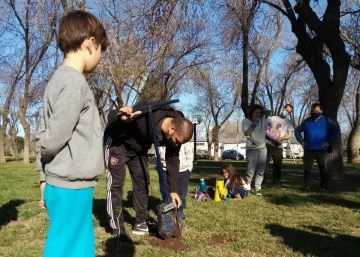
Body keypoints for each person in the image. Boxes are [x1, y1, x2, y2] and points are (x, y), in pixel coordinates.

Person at [35, 10, 115, 257]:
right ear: (91, 43)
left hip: (67, 183)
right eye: (101, 49)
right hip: (70, 184)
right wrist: (45, 167)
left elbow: (43, 129)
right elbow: (53, 136)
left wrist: (43, 175)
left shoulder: (59, 81)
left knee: (74, 243)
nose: (100, 57)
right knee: (68, 247)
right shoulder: (73, 84)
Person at [104, 103, 193, 238]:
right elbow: (110, 116)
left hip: (139, 148)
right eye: (176, 141)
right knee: (116, 185)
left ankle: (140, 222)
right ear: (172, 128)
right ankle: (117, 227)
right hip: (118, 143)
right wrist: (121, 115)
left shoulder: (177, 130)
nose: (176, 145)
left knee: (143, 182)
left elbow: (172, 159)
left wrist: (173, 190)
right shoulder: (146, 113)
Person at [294, 103, 340, 190]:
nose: (314, 112)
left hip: (321, 150)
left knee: (323, 169)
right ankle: (307, 185)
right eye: (312, 111)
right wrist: (301, 141)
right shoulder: (307, 121)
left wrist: (329, 142)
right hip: (308, 149)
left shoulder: (327, 120)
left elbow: (336, 132)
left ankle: (324, 185)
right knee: (307, 169)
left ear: (321, 111)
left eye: (316, 111)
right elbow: (297, 131)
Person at [158, 141, 193, 221]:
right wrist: (159, 167)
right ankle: (169, 213)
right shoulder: (162, 139)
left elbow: (189, 153)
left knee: (182, 194)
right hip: (165, 170)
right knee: (165, 193)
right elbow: (158, 154)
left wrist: (189, 169)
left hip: (183, 171)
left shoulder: (183, 139)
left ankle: (180, 212)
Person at [242, 104, 271, 196]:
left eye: (259, 112)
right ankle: (247, 187)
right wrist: (254, 124)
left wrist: (262, 109)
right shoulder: (246, 121)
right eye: (256, 112)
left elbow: (268, 111)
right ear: (252, 113)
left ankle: (258, 189)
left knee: (261, 170)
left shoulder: (262, 119)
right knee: (250, 170)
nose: (258, 114)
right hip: (251, 149)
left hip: (262, 148)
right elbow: (247, 132)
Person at [265, 104, 294, 186]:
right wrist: (271, 136)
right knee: (264, 163)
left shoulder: (288, 122)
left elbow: (289, 135)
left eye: (289, 112)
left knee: (278, 164)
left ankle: (276, 182)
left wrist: (281, 138)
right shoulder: (271, 118)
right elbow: (264, 129)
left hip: (278, 146)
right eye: (286, 110)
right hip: (268, 144)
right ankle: (262, 180)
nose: (287, 112)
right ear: (283, 108)